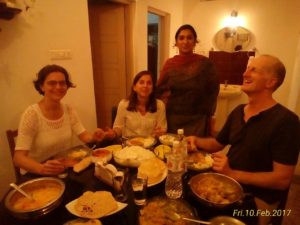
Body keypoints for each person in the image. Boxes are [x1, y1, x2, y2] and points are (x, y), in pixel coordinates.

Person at [187, 55, 300, 225]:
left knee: (214, 220)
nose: (245, 73)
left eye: (254, 70)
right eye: (247, 69)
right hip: (225, 185)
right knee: (186, 198)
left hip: (256, 199)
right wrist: (195, 140)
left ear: (270, 82)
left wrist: (232, 173)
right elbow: (217, 144)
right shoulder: (239, 111)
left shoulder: (286, 121)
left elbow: (282, 179)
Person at [14, 65, 105, 176]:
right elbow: (18, 158)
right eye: (52, 83)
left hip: (63, 169)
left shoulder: (68, 109)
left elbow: (84, 136)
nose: (58, 87)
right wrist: (42, 168)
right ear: (41, 86)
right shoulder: (32, 114)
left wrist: (94, 137)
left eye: (62, 83)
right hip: (37, 173)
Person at [156, 24, 219, 136]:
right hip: (173, 118)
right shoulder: (170, 64)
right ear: (176, 42)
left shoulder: (205, 64)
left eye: (189, 38)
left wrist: (210, 114)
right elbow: (159, 89)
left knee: (195, 150)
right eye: (181, 38)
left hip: (197, 119)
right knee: (173, 150)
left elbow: (213, 91)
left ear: (195, 42)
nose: (185, 41)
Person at [107, 70, 167, 138]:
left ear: (152, 88)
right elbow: (119, 128)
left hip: (151, 145)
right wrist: (113, 133)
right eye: (141, 82)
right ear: (134, 87)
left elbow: (162, 129)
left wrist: (160, 132)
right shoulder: (123, 104)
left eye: (149, 83)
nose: (145, 86)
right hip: (129, 145)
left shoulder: (160, 105)